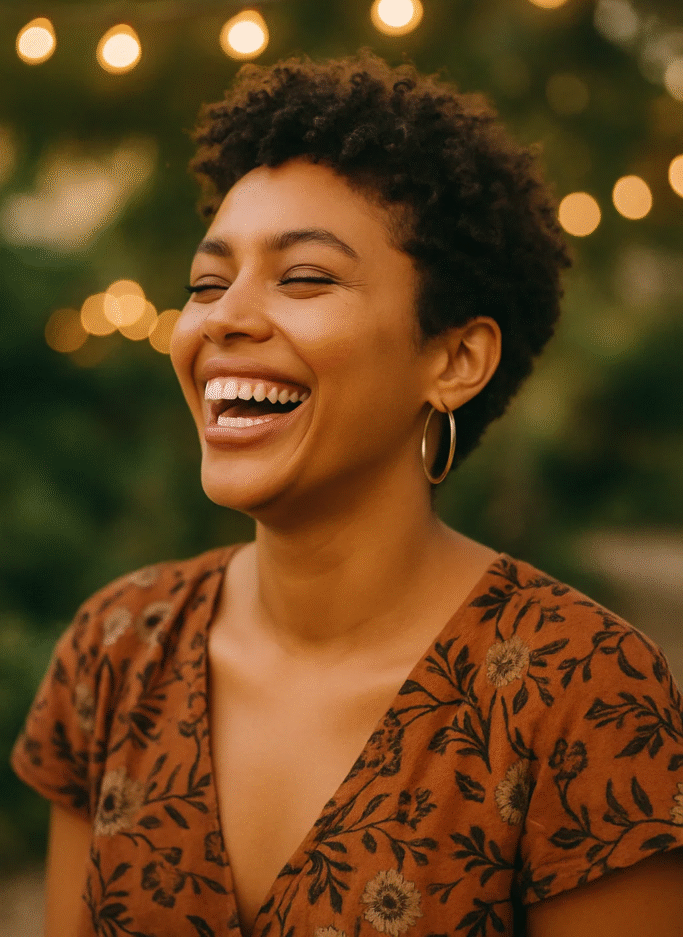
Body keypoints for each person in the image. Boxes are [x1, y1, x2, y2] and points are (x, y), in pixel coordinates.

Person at [11, 50, 683, 937]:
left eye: (304, 277)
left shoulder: (583, 694)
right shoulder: (115, 652)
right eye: (207, 283)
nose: (221, 319)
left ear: (453, 360)